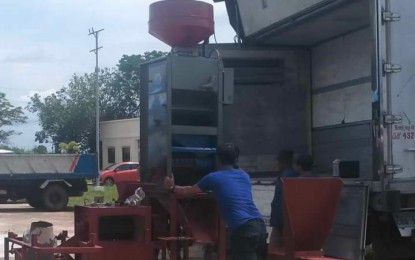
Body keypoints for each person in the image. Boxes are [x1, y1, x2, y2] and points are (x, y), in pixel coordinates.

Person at [163, 143, 267, 260]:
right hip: (260, 226)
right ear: (236, 159)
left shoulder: (213, 177)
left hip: (243, 229)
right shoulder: (244, 176)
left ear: (217, 159)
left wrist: (172, 188)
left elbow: (188, 192)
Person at [269, 150, 298, 248]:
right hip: (285, 219)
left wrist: (277, 221)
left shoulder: (285, 176)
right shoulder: (292, 174)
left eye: (278, 162)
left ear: (283, 162)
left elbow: (280, 200)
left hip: (281, 220)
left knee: (275, 247)